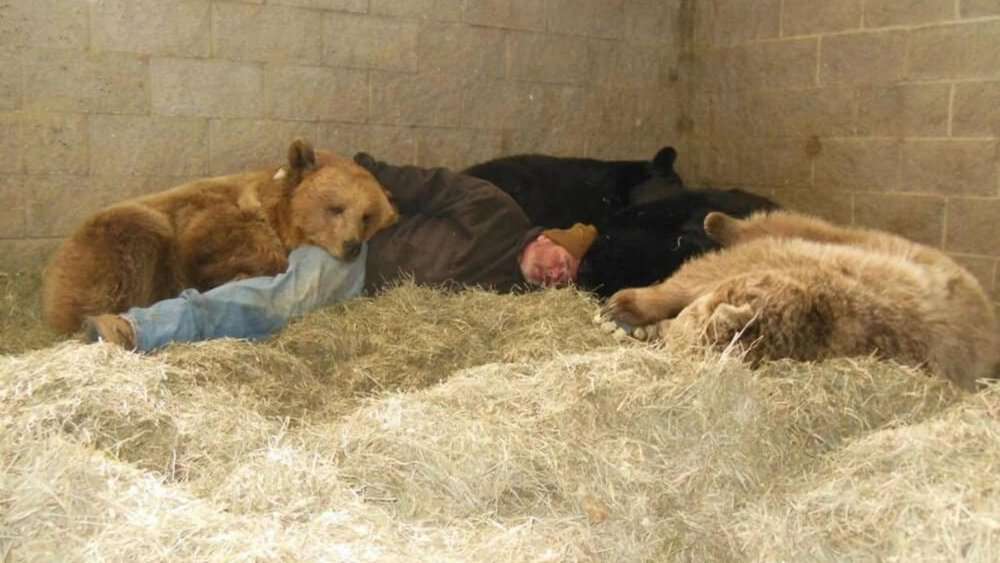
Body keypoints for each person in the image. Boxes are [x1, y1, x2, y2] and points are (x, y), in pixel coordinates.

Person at [82, 153, 599, 353]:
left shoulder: (511, 293)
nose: (559, 273)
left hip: (373, 311)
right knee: (278, 303)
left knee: (276, 324)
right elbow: (420, 184)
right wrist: (358, 172)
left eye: (567, 278)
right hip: (354, 261)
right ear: (548, 238)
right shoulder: (496, 210)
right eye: (564, 260)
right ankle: (136, 329)